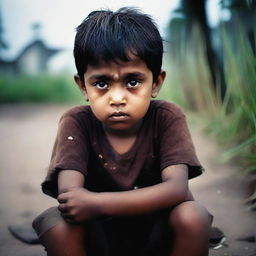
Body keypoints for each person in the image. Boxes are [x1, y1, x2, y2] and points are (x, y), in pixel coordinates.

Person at [32, 7, 213, 256]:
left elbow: (177, 190)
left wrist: (97, 203)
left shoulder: (166, 117)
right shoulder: (77, 122)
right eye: (102, 84)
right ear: (83, 86)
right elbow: (70, 198)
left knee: (193, 216)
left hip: (156, 233)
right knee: (58, 225)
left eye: (133, 82)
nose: (117, 98)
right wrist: (88, 206)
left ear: (156, 82)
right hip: (97, 237)